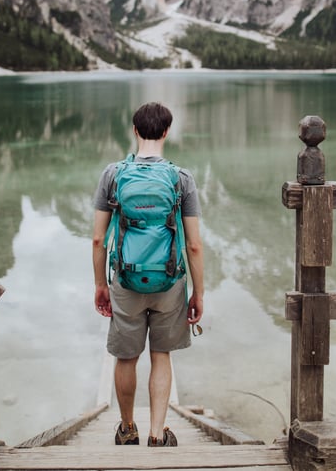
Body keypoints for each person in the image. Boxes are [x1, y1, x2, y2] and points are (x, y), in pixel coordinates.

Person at [92, 102, 204, 447]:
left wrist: (100, 285)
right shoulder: (181, 178)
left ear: (135, 130)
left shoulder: (113, 175)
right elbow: (195, 246)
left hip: (125, 280)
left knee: (126, 357)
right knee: (161, 355)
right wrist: (198, 293)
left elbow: (98, 238)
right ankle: (157, 434)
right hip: (170, 282)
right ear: (167, 131)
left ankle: (127, 430)